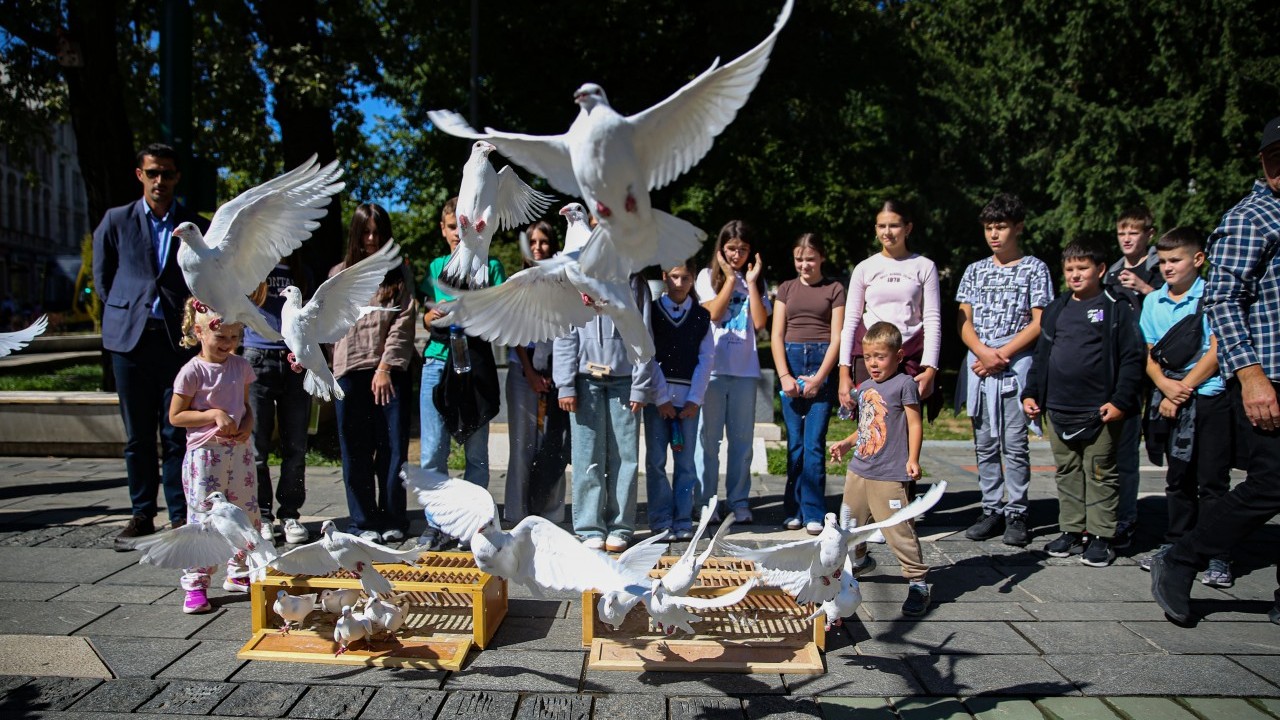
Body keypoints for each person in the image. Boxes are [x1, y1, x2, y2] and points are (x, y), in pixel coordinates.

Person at [1152, 115, 1280, 626]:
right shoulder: (1252, 218)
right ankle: (1183, 555)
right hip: (1268, 373)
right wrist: (1249, 374)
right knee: (1271, 482)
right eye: (1274, 157)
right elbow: (1223, 300)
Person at [92, 143, 210, 549]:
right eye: (153, 173)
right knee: (138, 435)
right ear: (140, 174)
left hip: (177, 342)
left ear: (178, 177)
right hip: (130, 340)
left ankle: (179, 515)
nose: (161, 181)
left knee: (176, 429)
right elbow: (103, 278)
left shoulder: (193, 224)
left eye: (168, 174)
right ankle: (142, 513)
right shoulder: (116, 220)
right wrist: (124, 311)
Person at [1021, 240, 1145, 568]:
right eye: (1070, 269)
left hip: (1101, 411)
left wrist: (1120, 401)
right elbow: (1042, 357)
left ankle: (1102, 536)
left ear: (1101, 270)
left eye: (1083, 268)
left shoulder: (1117, 305)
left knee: (1101, 472)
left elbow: (1133, 358)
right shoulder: (1057, 308)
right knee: (1068, 471)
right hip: (1060, 409)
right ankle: (1072, 531)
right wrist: (1030, 394)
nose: (1075, 275)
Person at [955, 193, 1054, 547]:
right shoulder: (975, 270)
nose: (994, 235)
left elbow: (1039, 321)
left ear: (1018, 227)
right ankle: (991, 506)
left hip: (1014, 365)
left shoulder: (1035, 268)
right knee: (984, 441)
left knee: (1014, 442)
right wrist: (982, 352)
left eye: (1001, 227)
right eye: (989, 228)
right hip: (980, 365)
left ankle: (1017, 511)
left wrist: (1002, 354)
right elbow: (963, 321)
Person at [1136, 228, 1232, 586]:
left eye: (1175, 260)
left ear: (1198, 259)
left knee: (1211, 481)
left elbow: (1219, 348)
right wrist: (1163, 385)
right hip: (1168, 399)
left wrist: (1184, 388)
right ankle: (1176, 543)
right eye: (1162, 261)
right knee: (1177, 479)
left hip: (1208, 397)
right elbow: (1145, 349)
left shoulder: (1214, 297)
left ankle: (1218, 554)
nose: (1167, 267)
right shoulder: (1153, 301)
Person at [829, 322, 930, 616]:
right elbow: (866, 427)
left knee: (899, 529)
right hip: (859, 469)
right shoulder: (866, 388)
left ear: (898, 356)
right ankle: (860, 560)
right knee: (851, 525)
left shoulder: (905, 384)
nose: (873, 363)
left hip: (889, 474)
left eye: (880, 357)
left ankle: (917, 582)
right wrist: (848, 444)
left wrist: (913, 458)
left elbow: (914, 423)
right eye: (868, 357)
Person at [331, 203, 417, 544]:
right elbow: (328, 324)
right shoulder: (339, 274)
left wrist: (384, 367)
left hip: (389, 373)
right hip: (348, 372)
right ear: (355, 234)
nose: (371, 238)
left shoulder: (398, 275)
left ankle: (394, 517)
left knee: (393, 449)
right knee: (355, 450)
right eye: (365, 232)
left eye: (378, 232)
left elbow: (404, 322)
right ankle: (363, 520)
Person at [168, 298, 258, 613]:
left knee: (244, 512)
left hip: (239, 453)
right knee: (205, 518)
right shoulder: (191, 372)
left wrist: (247, 425)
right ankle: (195, 584)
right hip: (205, 457)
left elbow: (246, 407)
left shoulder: (241, 366)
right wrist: (214, 413)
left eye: (234, 338)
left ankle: (240, 570)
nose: (229, 344)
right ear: (199, 332)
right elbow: (176, 417)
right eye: (222, 337)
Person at [554, 275, 653, 553]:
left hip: (624, 380)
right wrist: (565, 383)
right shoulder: (574, 277)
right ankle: (589, 528)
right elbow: (565, 331)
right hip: (585, 380)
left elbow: (644, 331)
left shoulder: (634, 280)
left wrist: (640, 385)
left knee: (625, 457)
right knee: (587, 454)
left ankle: (621, 526)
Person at [694, 220, 771, 523]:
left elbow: (760, 323)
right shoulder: (705, 276)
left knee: (741, 441)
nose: (737, 254)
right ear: (721, 249)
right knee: (708, 440)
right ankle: (706, 501)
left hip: (744, 371)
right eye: (731, 249)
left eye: (743, 249)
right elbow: (712, 313)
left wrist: (750, 282)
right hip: (712, 371)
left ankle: (738, 500)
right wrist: (728, 279)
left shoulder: (757, 281)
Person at [839, 200, 942, 412]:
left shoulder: (924, 267)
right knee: (870, 430)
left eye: (894, 225)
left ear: (908, 228)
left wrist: (930, 369)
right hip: (869, 357)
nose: (887, 232)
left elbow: (932, 320)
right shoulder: (864, 268)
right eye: (881, 226)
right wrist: (843, 372)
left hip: (910, 355)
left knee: (906, 429)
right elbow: (850, 321)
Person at [772, 233, 845, 534]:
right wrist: (784, 376)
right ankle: (794, 509)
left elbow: (837, 336)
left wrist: (819, 378)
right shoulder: (786, 288)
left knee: (814, 444)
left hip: (820, 365)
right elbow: (776, 335)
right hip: (790, 365)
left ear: (822, 258)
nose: (804, 264)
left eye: (810, 258)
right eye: (799, 259)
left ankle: (814, 511)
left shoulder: (835, 288)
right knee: (795, 445)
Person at [1104, 206, 1165, 550]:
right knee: (1112, 452)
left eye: (1134, 232)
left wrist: (1144, 287)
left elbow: (1174, 304)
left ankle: (1128, 518)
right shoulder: (1110, 271)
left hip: (1154, 370)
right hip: (1116, 371)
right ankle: (1109, 517)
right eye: (1121, 233)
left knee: (1137, 450)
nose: (1127, 239)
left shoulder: (1161, 267)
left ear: (1148, 235)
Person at [504, 220, 570, 524]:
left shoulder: (562, 282)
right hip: (523, 370)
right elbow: (514, 332)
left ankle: (551, 514)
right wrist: (530, 371)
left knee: (553, 446)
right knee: (522, 447)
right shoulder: (518, 281)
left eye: (544, 242)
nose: (538, 248)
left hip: (555, 372)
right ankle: (518, 514)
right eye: (533, 242)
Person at [244, 254, 313, 545]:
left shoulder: (301, 268)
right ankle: (262, 516)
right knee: (257, 447)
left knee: (295, 445)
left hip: (294, 358)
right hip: (257, 357)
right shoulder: (250, 261)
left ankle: (290, 514)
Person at [646, 260, 714, 540]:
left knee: (685, 463)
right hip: (656, 399)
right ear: (665, 277)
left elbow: (706, 358)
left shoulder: (700, 316)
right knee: (656, 460)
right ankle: (661, 519)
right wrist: (660, 397)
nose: (679, 283)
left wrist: (695, 399)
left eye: (685, 278)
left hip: (688, 401)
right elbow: (647, 353)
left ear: (693, 280)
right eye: (674, 277)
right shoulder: (651, 311)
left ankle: (683, 518)